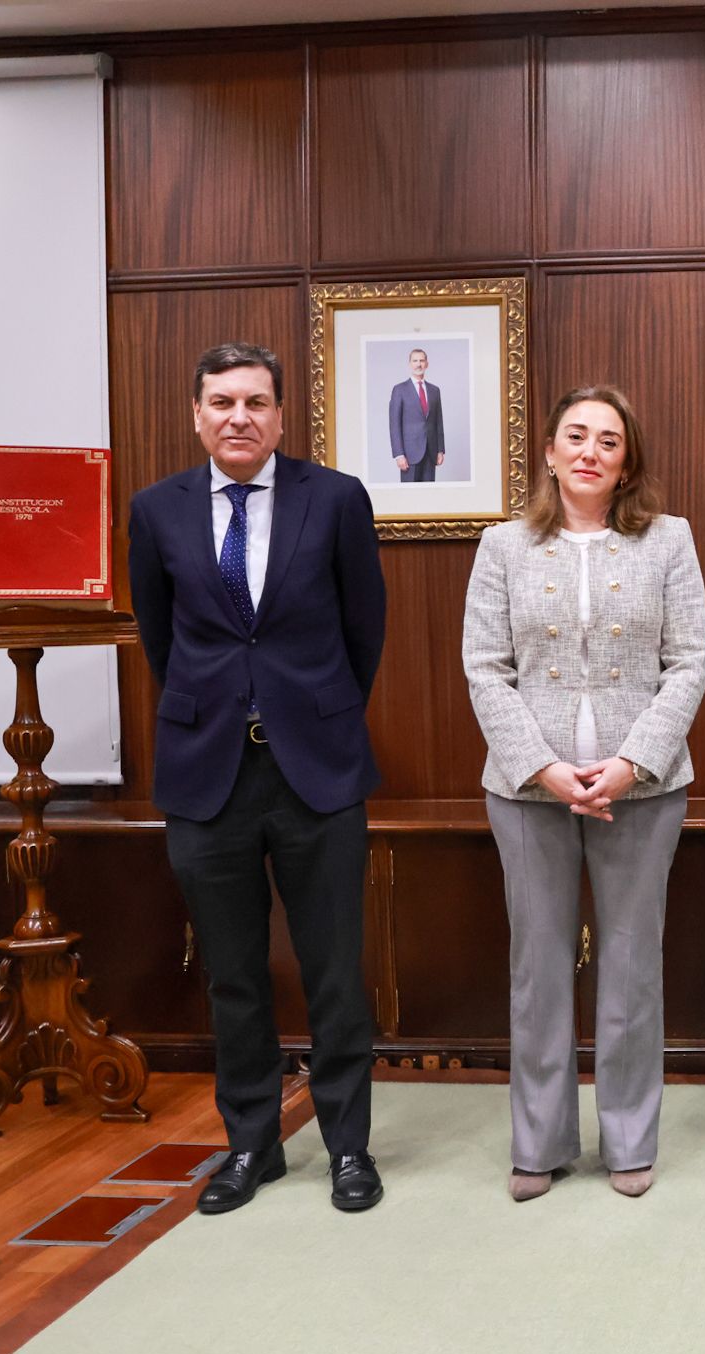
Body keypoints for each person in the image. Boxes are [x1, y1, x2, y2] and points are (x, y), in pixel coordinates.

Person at [126, 341, 388, 1214]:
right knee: (233, 974)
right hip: (208, 778)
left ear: (281, 416)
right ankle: (251, 1145)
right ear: (196, 415)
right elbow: (162, 643)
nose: (239, 416)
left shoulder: (337, 500)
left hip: (316, 770)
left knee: (335, 971)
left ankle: (348, 1147)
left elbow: (365, 633)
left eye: (256, 402)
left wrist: (308, 711)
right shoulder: (156, 511)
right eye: (222, 402)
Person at [462, 384, 705, 1202]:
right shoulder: (502, 546)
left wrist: (631, 762)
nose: (591, 452)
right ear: (550, 451)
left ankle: (630, 1138)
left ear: (627, 459)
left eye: (609, 440)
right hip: (526, 790)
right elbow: (485, 669)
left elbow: (690, 664)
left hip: (644, 789)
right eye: (577, 435)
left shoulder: (668, 542)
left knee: (632, 965)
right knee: (538, 968)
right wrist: (543, 766)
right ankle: (539, 1144)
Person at [389, 347, 445, 482]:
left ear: (427, 363)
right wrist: (399, 454)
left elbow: (438, 422)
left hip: (431, 453)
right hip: (409, 455)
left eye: (422, 360)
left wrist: (440, 450)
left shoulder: (434, 390)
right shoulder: (399, 390)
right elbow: (394, 424)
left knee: (429, 495)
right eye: (415, 361)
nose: (418, 364)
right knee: (409, 496)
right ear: (410, 364)